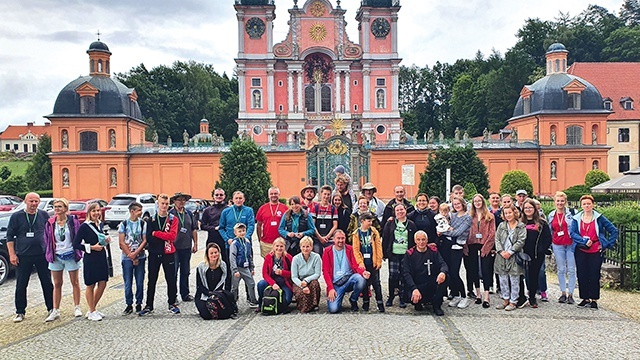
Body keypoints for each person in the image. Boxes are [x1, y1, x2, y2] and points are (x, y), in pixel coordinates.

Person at [7, 193, 52, 323]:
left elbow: (49, 233)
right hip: (23, 255)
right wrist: (12, 254)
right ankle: (20, 311)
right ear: (26, 201)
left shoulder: (43, 214)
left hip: (41, 254)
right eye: (31, 201)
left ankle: (51, 308)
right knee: (21, 284)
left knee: (47, 282)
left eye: (36, 201)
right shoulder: (17, 216)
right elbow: (10, 237)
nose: (34, 204)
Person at [570, 195, 618, 310]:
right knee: (582, 274)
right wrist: (583, 240)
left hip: (595, 250)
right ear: (581, 205)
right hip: (581, 249)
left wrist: (607, 244)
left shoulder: (599, 218)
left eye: (589, 204)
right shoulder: (576, 218)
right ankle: (585, 298)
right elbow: (572, 233)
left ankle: (594, 299)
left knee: (594, 274)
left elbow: (613, 230)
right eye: (584, 204)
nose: (587, 206)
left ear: (593, 205)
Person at [140, 194, 180, 316]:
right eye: (162, 203)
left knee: (171, 279)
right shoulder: (151, 219)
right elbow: (149, 238)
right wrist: (161, 236)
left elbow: (172, 237)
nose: (164, 206)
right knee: (152, 279)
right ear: (158, 204)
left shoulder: (173, 219)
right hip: (154, 253)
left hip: (168, 252)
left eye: (167, 204)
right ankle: (149, 305)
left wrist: (156, 233)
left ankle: (172, 303)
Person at [43, 198, 82, 321]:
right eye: (55, 207)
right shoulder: (50, 223)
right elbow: (46, 238)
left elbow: (78, 236)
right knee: (57, 284)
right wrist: (49, 251)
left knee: (74, 282)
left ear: (65, 208)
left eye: (60, 206)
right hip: (56, 256)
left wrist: (77, 250)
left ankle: (77, 307)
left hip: (70, 254)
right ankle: (56, 310)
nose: (57, 209)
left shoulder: (72, 221)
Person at [74, 202, 110, 321]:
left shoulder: (101, 224)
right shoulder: (84, 226)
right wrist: (91, 247)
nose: (96, 213)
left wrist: (107, 240)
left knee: (103, 282)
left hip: (101, 256)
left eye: (98, 210)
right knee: (91, 284)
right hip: (91, 257)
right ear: (89, 212)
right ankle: (92, 310)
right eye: (94, 211)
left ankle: (92, 308)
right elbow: (76, 244)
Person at [402, 231, 448, 316]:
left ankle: (437, 306)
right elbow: (406, 273)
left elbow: (443, 264)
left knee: (445, 277)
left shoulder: (433, 252)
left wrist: (443, 272)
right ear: (415, 241)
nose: (421, 242)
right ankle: (418, 303)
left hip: (431, 283)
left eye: (423, 239)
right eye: (418, 240)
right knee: (412, 296)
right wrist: (414, 289)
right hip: (418, 284)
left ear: (427, 240)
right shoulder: (410, 254)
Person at [322, 230, 368, 313]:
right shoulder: (327, 251)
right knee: (333, 309)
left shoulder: (350, 249)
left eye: (342, 238)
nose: (340, 240)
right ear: (333, 239)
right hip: (336, 283)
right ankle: (339, 298)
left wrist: (363, 272)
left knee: (361, 279)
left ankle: (353, 299)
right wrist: (330, 288)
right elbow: (325, 271)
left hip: (349, 279)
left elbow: (356, 265)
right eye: (338, 238)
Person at [517, 199, 552, 309]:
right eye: (526, 208)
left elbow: (548, 238)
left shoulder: (542, 222)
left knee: (533, 275)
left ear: (534, 209)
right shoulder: (519, 222)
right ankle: (521, 296)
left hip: (537, 254)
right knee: (521, 275)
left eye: (530, 207)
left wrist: (542, 249)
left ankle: (532, 297)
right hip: (522, 253)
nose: (528, 210)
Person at [382, 203, 416, 308]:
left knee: (403, 276)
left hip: (406, 255)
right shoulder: (390, 223)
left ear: (405, 210)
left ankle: (402, 297)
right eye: (397, 210)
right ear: (394, 212)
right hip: (394, 254)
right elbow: (385, 238)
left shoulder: (411, 224)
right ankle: (391, 296)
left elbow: (414, 240)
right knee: (393, 276)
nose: (400, 212)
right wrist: (384, 253)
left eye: (402, 210)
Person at [441, 197, 472, 309]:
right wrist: (448, 229)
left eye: (458, 203)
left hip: (458, 247)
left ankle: (464, 296)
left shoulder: (467, 218)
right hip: (448, 246)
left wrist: (447, 231)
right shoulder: (452, 216)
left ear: (463, 204)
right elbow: (444, 227)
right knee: (449, 272)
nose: (457, 206)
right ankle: (456, 294)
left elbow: (458, 232)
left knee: (455, 272)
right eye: (454, 204)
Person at [494, 205, 526, 311]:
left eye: (510, 213)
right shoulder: (501, 226)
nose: (508, 215)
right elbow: (497, 239)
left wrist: (511, 251)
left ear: (514, 213)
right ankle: (505, 299)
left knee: (514, 278)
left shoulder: (520, 226)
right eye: (506, 213)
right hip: (501, 255)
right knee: (502, 278)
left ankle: (513, 301)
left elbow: (521, 240)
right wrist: (501, 251)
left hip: (514, 255)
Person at [118, 202, 147, 315]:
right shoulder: (124, 224)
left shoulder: (143, 223)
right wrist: (130, 255)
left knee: (140, 281)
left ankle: (139, 303)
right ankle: (129, 304)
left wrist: (136, 254)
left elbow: (144, 240)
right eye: (139, 210)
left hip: (140, 255)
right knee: (128, 281)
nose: (141, 212)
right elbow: (121, 242)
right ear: (132, 211)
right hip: (127, 257)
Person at [547, 191, 576, 304]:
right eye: (558, 201)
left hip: (570, 243)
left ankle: (571, 294)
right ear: (555, 202)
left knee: (572, 270)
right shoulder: (551, 215)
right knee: (561, 269)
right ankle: (563, 292)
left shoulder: (571, 213)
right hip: (557, 244)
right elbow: (550, 229)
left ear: (565, 202)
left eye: (562, 201)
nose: (560, 203)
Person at [351, 212, 384, 312]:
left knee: (376, 283)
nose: (370, 223)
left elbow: (378, 246)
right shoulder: (356, 234)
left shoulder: (374, 232)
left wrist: (379, 260)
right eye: (368, 221)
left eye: (371, 221)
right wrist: (360, 263)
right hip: (364, 263)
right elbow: (356, 250)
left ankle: (380, 302)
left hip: (373, 261)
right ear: (362, 221)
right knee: (365, 284)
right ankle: (366, 302)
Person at [468, 194, 496, 308]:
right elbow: (467, 231)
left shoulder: (490, 216)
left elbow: (492, 232)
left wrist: (486, 247)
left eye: (479, 201)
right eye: (475, 201)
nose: (477, 203)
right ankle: (478, 294)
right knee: (474, 269)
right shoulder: (470, 216)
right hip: (472, 244)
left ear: (483, 202)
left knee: (486, 269)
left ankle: (486, 296)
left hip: (485, 244)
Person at [170, 192, 198, 302]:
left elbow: (194, 229)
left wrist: (195, 243)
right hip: (174, 247)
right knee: (173, 272)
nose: (181, 202)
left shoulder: (189, 214)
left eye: (183, 200)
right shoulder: (171, 214)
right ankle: (173, 295)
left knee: (185, 271)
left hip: (186, 247)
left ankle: (185, 294)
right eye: (179, 200)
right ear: (174, 202)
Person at [201, 188, 230, 290]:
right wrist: (214, 228)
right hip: (212, 240)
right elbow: (202, 226)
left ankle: (227, 288)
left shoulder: (228, 209)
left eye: (221, 195)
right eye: (217, 195)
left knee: (227, 264)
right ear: (213, 196)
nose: (219, 197)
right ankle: (212, 288)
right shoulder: (208, 210)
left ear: (224, 196)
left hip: (225, 240)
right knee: (211, 264)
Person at [257, 238, 294, 312]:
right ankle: (261, 303)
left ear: (284, 247)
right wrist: (273, 283)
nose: (279, 248)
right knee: (261, 284)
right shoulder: (268, 257)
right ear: (273, 246)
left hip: (284, 283)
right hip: (272, 281)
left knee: (287, 300)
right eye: (277, 246)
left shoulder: (289, 258)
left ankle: (280, 305)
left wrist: (282, 272)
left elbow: (293, 273)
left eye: (281, 246)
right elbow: (265, 273)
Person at [195, 243, 229, 320]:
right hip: (204, 294)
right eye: (211, 253)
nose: (214, 255)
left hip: (217, 293)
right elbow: (199, 285)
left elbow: (224, 281)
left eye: (216, 252)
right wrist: (209, 293)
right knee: (206, 316)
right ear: (207, 254)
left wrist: (217, 294)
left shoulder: (223, 265)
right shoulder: (201, 267)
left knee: (223, 314)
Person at [229, 223, 258, 308]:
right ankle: (233, 302)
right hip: (237, 267)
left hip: (245, 268)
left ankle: (253, 300)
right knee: (234, 286)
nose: (242, 233)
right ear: (235, 232)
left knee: (251, 283)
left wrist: (252, 267)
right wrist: (235, 270)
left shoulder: (247, 242)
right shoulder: (234, 243)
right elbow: (232, 257)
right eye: (239, 231)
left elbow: (249, 256)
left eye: (243, 231)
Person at [290, 236, 322, 313]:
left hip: (310, 280)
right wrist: (302, 285)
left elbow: (317, 274)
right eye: (303, 246)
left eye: (307, 246)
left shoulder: (316, 257)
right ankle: (304, 305)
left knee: (315, 284)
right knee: (302, 294)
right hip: (299, 281)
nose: (305, 249)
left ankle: (314, 304)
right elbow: (294, 277)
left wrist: (306, 281)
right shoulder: (296, 259)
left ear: (311, 247)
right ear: (300, 247)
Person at [256, 187, 289, 258]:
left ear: (279, 194)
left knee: (281, 263)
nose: (273, 195)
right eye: (271, 194)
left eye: (275, 193)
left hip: (281, 242)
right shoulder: (262, 208)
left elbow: (289, 224)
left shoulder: (285, 208)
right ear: (268, 195)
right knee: (267, 263)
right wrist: (260, 239)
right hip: (266, 242)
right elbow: (258, 225)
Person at [310, 185, 338, 254]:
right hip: (317, 238)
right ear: (321, 194)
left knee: (330, 257)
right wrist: (320, 237)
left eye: (328, 194)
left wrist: (327, 237)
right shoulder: (315, 208)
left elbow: (335, 225)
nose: (326, 196)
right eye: (325, 194)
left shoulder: (333, 209)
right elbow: (312, 225)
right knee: (317, 257)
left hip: (329, 239)